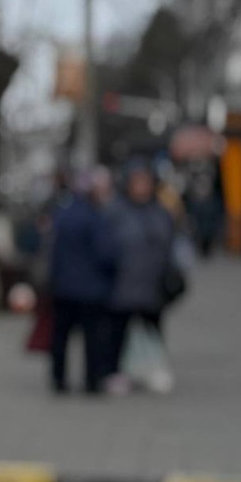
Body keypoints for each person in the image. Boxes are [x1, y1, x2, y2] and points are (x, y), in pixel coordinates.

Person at [46, 168, 119, 395]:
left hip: (63, 288)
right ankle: (92, 380)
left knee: (61, 337)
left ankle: (58, 378)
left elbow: (52, 251)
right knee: (93, 338)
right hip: (91, 290)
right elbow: (106, 254)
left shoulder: (62, 213)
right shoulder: (95, 217)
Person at [108, 163, 180, 393]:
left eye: (145, 182)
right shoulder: (115, 212)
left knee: (153, 330)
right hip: (122, 285)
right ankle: (118, 371)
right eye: (137, 182)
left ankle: (154, 369)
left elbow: (171, 245)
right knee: (119, 332)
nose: (141, 187)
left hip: (153, 285)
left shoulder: (160, 212)